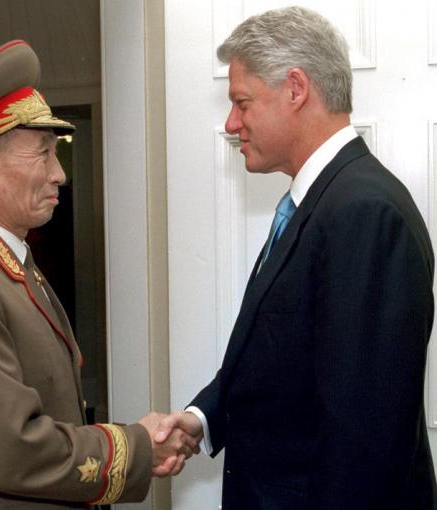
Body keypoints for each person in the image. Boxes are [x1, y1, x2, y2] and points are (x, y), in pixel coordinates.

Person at [155, 6, 437, 509]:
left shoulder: (363, 213)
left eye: (242, 102)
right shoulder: (320, 201)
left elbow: (363, 443)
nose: (231, 123)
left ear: (296, 88)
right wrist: (202, 418)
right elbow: (281, 363)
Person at [0, 40, 195, 510]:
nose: (59, 174)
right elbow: (11, 449)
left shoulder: (5, 262)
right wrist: (137, 446)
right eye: (43, 154)